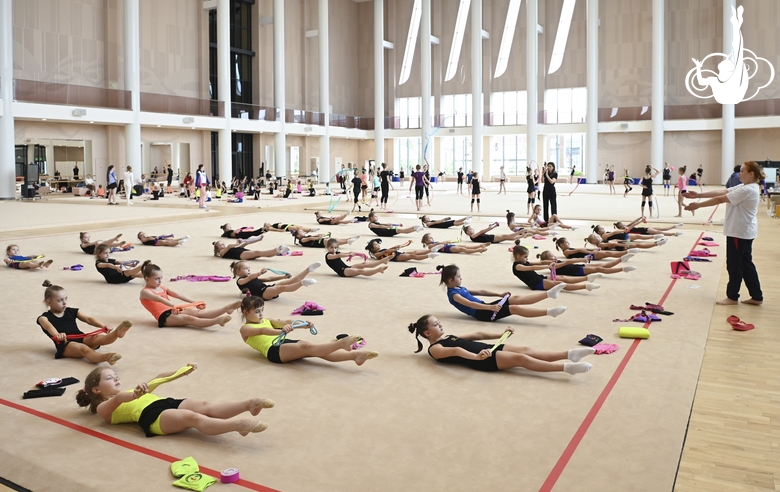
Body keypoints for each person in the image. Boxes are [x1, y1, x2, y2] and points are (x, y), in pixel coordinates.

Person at [76, 363, 272, 437]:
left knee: (205, 405)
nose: (116, 378)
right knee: (192, 417)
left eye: (115, 375)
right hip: (151, 417)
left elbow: (159, 377)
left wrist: (181, 372)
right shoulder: (103, 408)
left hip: (164, 402)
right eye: (110, 378)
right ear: (96, 389)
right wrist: (136, 394)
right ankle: (238, 425)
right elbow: (119, 399)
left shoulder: (130, 390)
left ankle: (249, 404)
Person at [684, 161, 764, 306]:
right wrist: (699, 194)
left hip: (738, 232)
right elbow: (723, 191)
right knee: (746, 264)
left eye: (743, 171)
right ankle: (756, 296)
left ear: (751, 174)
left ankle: (732, 297)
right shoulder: (746, 186)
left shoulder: (747, 190)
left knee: (735, 265)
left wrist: (698, 205)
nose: (739, 174)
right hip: (744, 231)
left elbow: (721, 199)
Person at [408, 316, 593, 374]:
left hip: (487, 348)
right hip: (483, 359)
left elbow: (476, 334)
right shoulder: (435, 350)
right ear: (427, 333)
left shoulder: (447, 336)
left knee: (526, 350)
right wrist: (477, 357)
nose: (440, 324)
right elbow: (457, 350)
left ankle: (569, 354)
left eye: (438, 322)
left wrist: (502, 333)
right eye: (435, 324)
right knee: (522, 359)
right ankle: (567, 368)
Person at [239, 296, 377, 366]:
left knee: (316, 350)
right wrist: (281, 332)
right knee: (308, 347)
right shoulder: (245, 329)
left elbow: (285, 322)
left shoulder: (267, 319)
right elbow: (263, 331)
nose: (261, 314)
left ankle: (356, 356)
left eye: (262, 310)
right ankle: (342, 343)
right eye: (257, 312)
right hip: (273, 351)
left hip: (283, 342)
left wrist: (304, 324)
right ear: (245, 313)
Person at [37, 280, 130, 363]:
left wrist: (103, 326)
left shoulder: (71, 311)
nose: (65, 302)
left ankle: (117, 332)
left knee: (97, 337)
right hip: (65, 345)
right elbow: (49, 327)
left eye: (66, 299)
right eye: (60, 300)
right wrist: (58, 335)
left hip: (81, 337)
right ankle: (108, 357)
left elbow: (88, 319)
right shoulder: (44, 318)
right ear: (48, 302)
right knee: (84, 349)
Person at [438, 264, 567, 322]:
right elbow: (471, 304)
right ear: (450, 280)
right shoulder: (454, 295)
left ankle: (549, 294)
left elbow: (480, 291)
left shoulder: (459, 288)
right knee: (514, 308)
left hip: (485, 307)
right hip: (483, 314)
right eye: (459, 277)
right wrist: (490, 307)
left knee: (514, 299)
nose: (461, 278)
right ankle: (550, 312)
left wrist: (499, 295)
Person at [139, 262, 238, 328]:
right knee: (189, 319)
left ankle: (228, 308)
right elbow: (159, 299)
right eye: (157, 279)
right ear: (147, 279)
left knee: (198, 313)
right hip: (164, 316)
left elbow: (178, 295)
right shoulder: (145, 292)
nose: (160, 281)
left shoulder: (163, 288)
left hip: (173, 309)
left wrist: (194, 302)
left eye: (161, 278)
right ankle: (217, 321)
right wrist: (175, 307)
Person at [510, 243, 601, 293]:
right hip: (536, 284)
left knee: (562, 278)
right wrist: (547, 266)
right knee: (560, 284)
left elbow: (539, 262)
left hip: (539, 278)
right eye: (525, 256)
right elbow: (533, 267)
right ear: (518, 256)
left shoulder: (524, 262)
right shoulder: (518, 266)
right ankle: (586, 286)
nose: (527, 258)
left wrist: (550, 262)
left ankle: (588, 278)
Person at [232, 260, 319, 299]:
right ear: (238, 272)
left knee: (288, 281)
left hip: (267, 288)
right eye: (246, 268)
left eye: (249, 268)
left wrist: (282, 277)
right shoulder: (240, 281)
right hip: (262, 294)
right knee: (282, 288)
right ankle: (302, 283)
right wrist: (259, 273)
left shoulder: (252, 277)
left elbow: (268, 279)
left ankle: (308, 270)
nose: (249, 270)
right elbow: (250, 277)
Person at [324, 238, 390, 277]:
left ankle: (382, 261)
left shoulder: (337, 252)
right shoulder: (328, 255)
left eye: (335, 248)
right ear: (327, 247)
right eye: (331, 247)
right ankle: (378, 270)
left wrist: (358, 254)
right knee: (360, 271)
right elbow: (338, 256)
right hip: (343, 272)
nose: (334, 249)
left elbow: (345, 253)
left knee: (364, 264)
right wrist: (349, 255)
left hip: (347, 267)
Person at [553, 236, 638, 261]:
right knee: (608, 254)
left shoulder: (569, 249)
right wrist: (592, 252)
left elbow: (581, 249)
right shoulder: (566, 252)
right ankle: (626, 253)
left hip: (589, 254)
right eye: (567, 243)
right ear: (562, 245)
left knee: (607, 253)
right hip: (589, 256)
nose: (569, 243)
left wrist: (592, 250)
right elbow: (579, 250)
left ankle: (626, 253)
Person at [212, 238, 290, 261]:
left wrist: (258, 239)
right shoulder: (222, 252)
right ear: (217, 249)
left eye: (223, 243)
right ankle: (278, 249)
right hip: (240, 255)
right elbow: (229, 246)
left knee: (261, 254)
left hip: (242, 252)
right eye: (220, 245)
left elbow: (246, 243)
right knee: (258, 252)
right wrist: (237, 243)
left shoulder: (231, 248)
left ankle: (279, 251)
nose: (223, 245)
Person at [365, 238, 440, 262]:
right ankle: (429, 255)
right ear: (372, 248)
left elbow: (388, 250)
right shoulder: (376, 254)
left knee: (414, 252)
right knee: (412, 256)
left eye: (378, 244)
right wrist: (391, 249)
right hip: (396, 257)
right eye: (376, 244)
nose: (378, 245)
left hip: (397, 253)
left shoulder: (382, 250)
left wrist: (397, 246)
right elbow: (385, 252)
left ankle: (432, 250)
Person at [421, 234, 489, 254]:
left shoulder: (434, 242)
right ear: (426, 241)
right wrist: (445, 241)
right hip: (447, 249)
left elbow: (442, 243)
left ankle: (480, 245)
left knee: (464, 246)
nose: (432, 238)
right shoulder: (429, 245)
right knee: (463, 249)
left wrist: (453, 241)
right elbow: (437, 245)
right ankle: (478, 250)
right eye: (430, 238)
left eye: (432, 237)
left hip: (448, 246)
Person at [591, 224, 667, 243]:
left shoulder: (604, 235)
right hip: (624, 237)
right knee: (639, 236)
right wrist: (623, 231)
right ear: (598, 232)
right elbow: (614, 233)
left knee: (639, 237)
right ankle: (654, 237)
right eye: (601, 228)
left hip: (623, 238)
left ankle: (655, 237)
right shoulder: (603, 236)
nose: (603, 228)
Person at [612, 217, 683, 237]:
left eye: (624, 224)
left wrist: (640, 217)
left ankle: (675, 226)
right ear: (621, 227)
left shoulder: (626, 226)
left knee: (661, 228)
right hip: (645, 231)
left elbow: (633, 222)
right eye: (623, 225)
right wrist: (641, 221)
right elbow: (634, 225)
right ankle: (674, 234)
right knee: (659, 232)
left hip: (645, 229)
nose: (625, 225)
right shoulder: (626, 230)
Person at [462, 224, 528, 244]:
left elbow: (483, 232)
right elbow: (482, 231)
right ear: (467, 232)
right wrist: (491, 227)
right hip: (491, 238)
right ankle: (520, 232)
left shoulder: (473, 236)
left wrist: (492, 227)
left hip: (490, 238)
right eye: (470, 229)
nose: (472, 229)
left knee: (507, 237)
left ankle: (522, 236)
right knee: (506, 236)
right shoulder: (472, 236)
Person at [293, 229, 358, 248]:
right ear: (298, 236)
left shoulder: (305, 236)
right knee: (332, 241)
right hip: (319, 243)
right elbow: (310, 238)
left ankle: (349, 239)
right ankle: (348, 241)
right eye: (301, 232)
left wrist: (321, 234)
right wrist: (318, 238)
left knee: (335, 239)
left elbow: (314, 236)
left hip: (320, 240)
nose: (303, 232)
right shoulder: (301, 240)